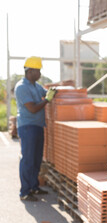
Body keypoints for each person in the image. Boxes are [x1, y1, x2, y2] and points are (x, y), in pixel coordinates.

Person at [14, 56, 57, 201]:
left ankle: (34, 187)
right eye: (38, 71)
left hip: (38, 126)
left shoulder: (36, 86)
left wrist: (53, 92)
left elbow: (46, 92)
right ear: (30, 71)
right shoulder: (21, 87)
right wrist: (47, 100)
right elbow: (32, 108)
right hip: (27, 127)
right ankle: (25, 192)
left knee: (37, 159)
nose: (40, 74)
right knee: (28, 159)